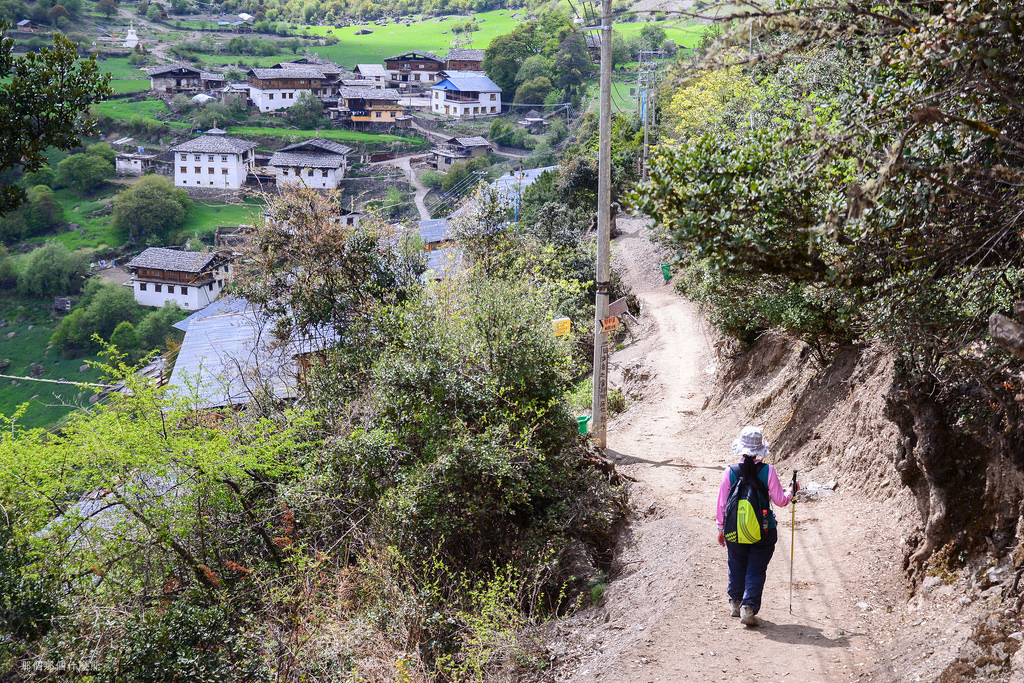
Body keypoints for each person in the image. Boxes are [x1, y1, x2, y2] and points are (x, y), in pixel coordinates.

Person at [715, 425, 797, 627]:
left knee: (736, 564)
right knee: (756, 568)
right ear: (760, 449)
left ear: (741, 449)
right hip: (764, 530)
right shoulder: (768, 471)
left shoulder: (730, 472)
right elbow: (780, 500)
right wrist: (791, 491)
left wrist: (720, 528)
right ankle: (748, 608)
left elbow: (722, 504)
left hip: (733, 529)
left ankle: (735, 603)